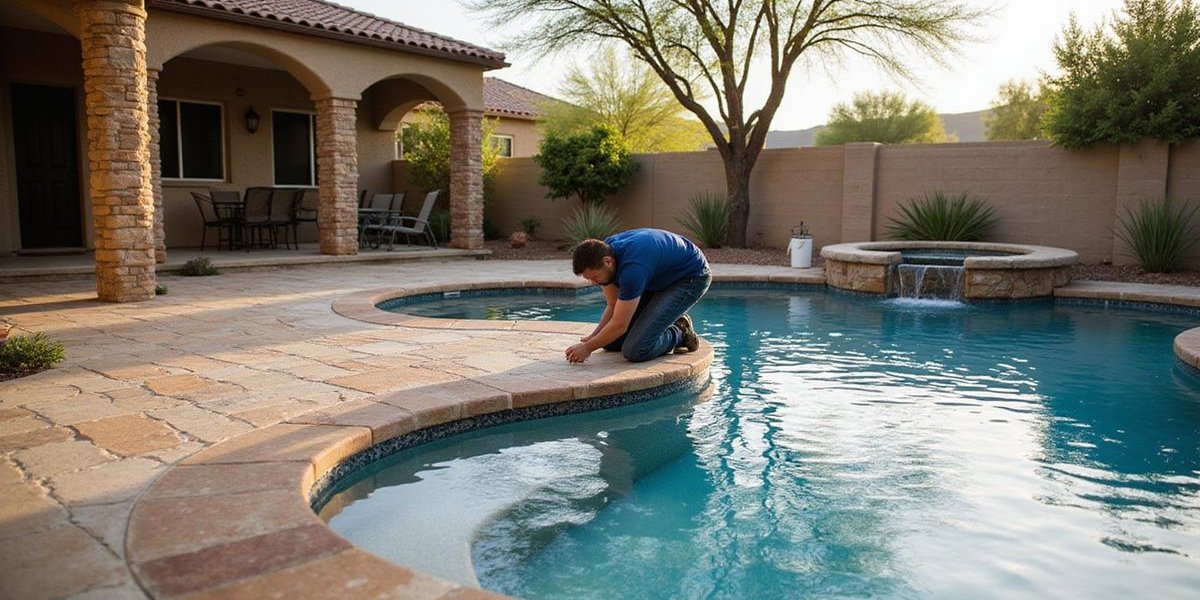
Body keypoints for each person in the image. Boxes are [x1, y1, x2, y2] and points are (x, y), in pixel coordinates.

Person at [565, 228, 712, 364]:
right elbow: (613, 303)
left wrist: (588, 348)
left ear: (607, 262)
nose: (593, 283)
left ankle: (680, 331)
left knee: (636, 350)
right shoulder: (604, 253)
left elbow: (620, 325)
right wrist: (593, 337)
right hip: (658, 276)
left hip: (691, 277)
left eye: (595, 277)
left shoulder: (632, 270)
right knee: (610, 343)